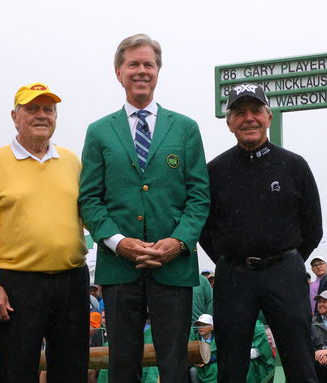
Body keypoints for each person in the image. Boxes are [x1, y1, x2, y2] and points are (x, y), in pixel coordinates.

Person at [79, 33, 210, 383]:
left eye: (148, 64)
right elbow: (90, 199)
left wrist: (178, 241)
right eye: (133, 64)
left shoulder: (185, 129)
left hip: (175, 267)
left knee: (173, 361)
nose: (141, 71)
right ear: (118, 72)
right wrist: (118, 242)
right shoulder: (99, 132)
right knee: (122, 363)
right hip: (119, 268)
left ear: (158, 71)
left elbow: (199, 195)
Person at [199, 83, 323, 382]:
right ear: (229, 123)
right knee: (231, 363)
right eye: (239, 112)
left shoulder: (293, 165)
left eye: (256, 111)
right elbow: (204, 228)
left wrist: (286, 259)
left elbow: (313, 227)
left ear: (269, 117)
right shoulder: (214, 170)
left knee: (300, 361)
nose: (249, 118)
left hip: (285, 273)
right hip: (234, 276)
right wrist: (232, 259)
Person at [0, 82, 89, 383]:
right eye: (32, 108)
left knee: (71, 369)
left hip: (71, 279)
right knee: (16, 371)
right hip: (16, 284)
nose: (41, 115)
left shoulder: (72, 161)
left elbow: (90, 216)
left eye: (48, 109)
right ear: (15, 116)